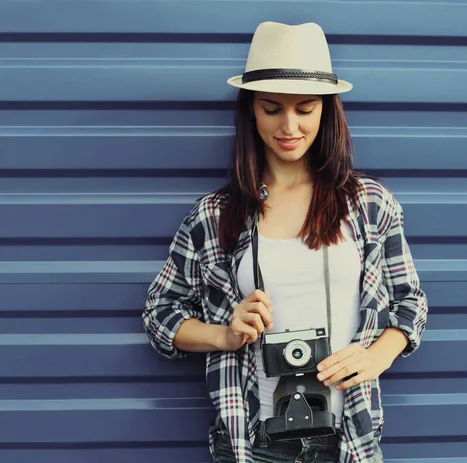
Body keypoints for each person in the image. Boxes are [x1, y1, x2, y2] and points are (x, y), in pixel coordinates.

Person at [142, 21, 428, 463]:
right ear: (251, 112)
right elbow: (160, 314)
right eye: (272, 108)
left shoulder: (369, 204)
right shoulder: (214, 215)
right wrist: (225, 334)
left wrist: (378, 356)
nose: (289, 126)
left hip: (349, 437)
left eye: (306, 108)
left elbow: (411, 301)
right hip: (250, 442)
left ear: (327, 111)